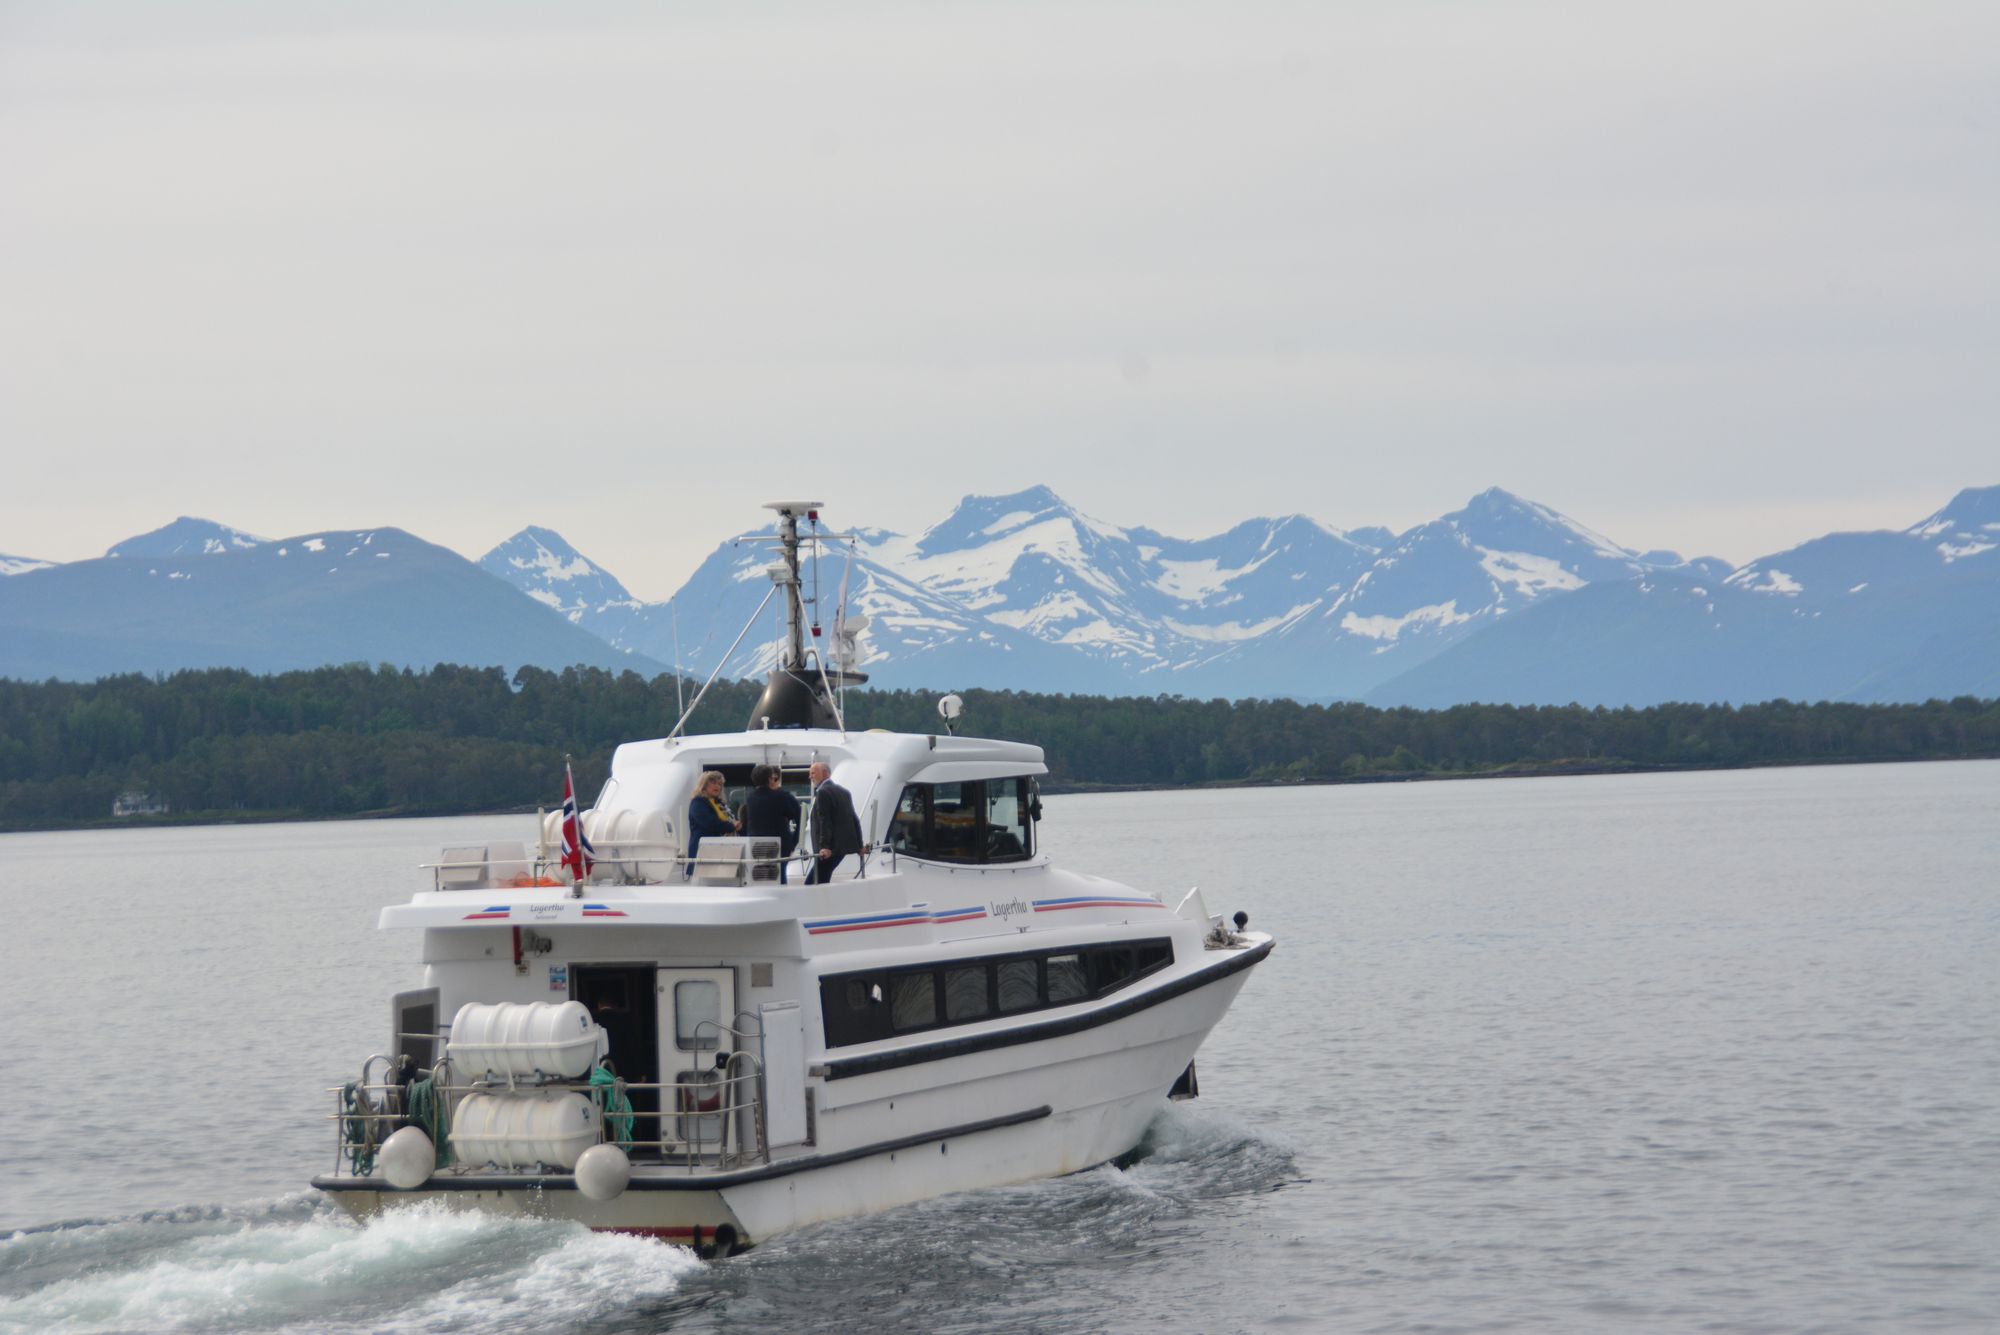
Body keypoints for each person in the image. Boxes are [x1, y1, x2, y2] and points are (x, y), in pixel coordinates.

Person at [740, 763, 802, 883]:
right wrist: (793, 841)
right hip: (779, 844)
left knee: (761, 877)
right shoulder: (781, 796)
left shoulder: (750, 798)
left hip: (756, 844)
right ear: (770, 779)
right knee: (780, 875)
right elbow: (796, 816)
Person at [806, 761, 866, 884]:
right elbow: (854, 819)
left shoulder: (823, 792)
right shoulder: (844, 791)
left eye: (813, 773)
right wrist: (859, 845)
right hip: (841, 849)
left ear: (825, 773)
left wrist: (824, 847)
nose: (810, 776)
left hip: (829, 850)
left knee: (811, 883)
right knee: (822, 880)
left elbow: (825, 821)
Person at [685, 770, 739, 878]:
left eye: (720, 784)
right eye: (713, 783)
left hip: (720, 851)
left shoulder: (719, 803)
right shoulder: (698, 803)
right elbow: (710, 823)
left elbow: (729, 820)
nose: (717, 786)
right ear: (704, 785)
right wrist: (731, 826)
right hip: (703, 852)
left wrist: (737, 825)